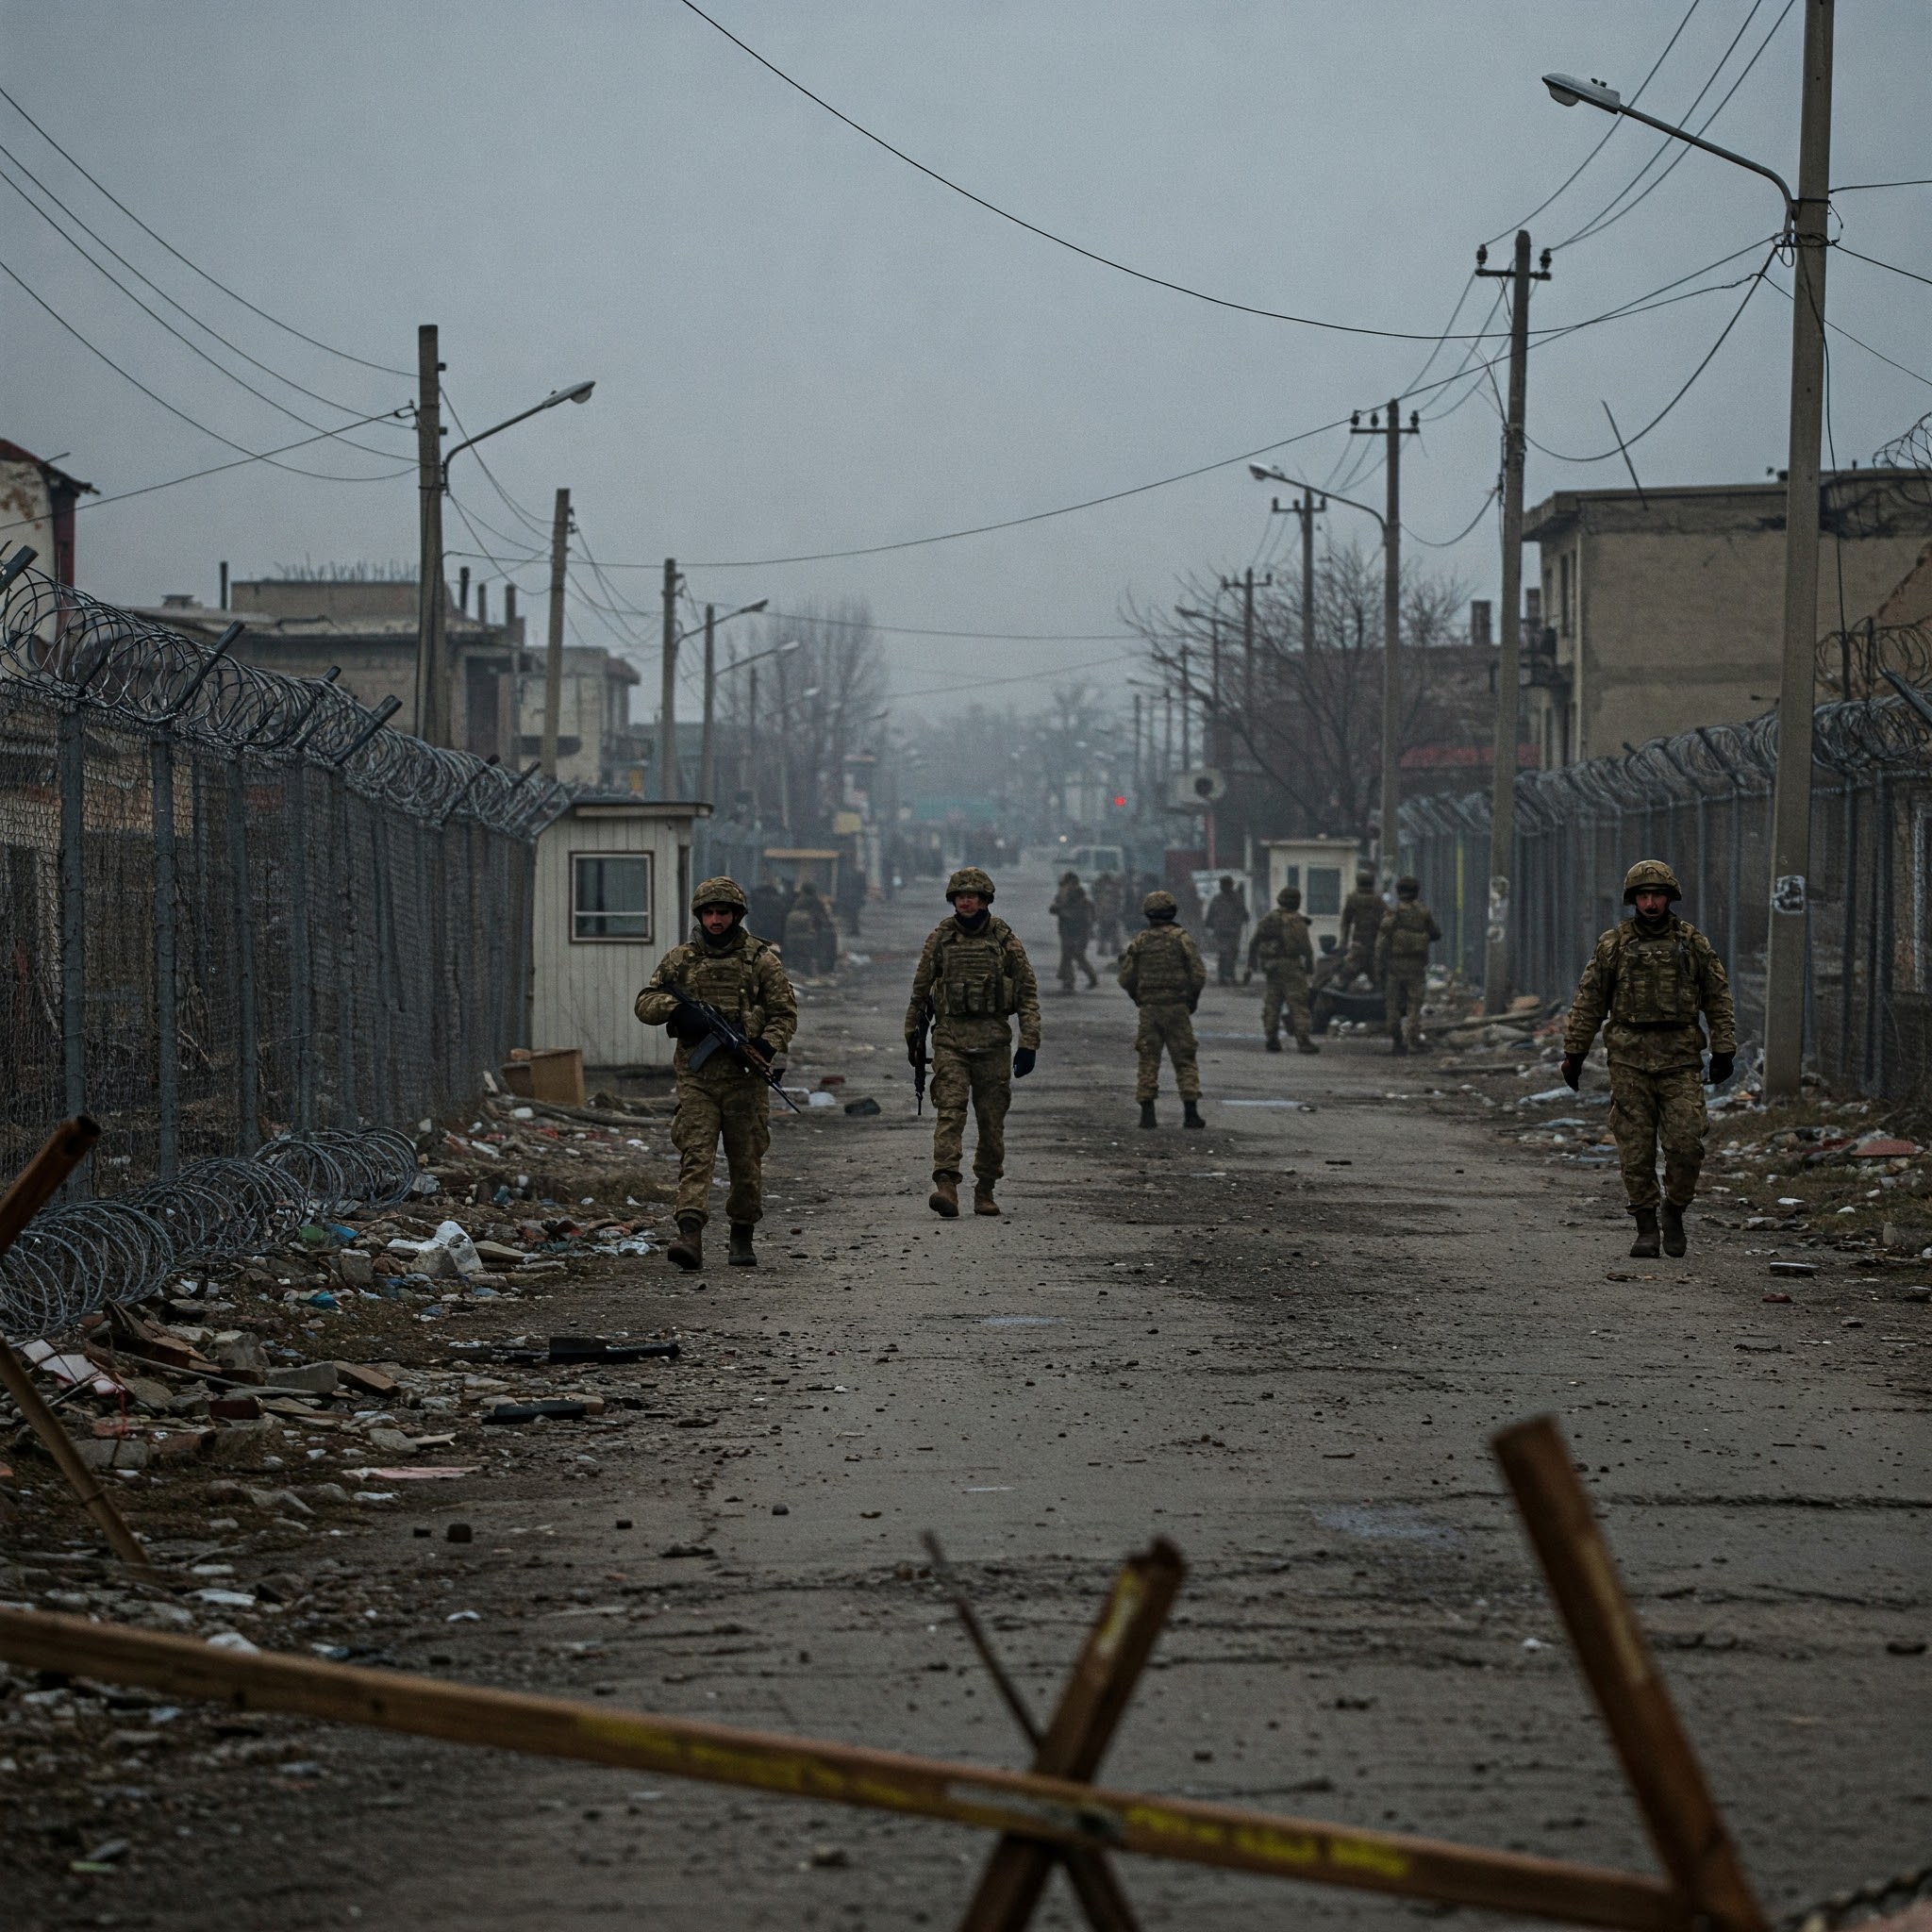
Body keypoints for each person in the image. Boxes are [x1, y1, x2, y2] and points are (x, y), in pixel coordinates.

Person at [1560, 859, 1736, 1260]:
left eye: (1657, 895)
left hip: (1679, 1060)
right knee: (1635, 1150)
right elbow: (1589, 1002)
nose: (1651, 903)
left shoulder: (1692, 944)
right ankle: (1645, 1225)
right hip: (1629, 1060)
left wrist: (1724, 1048)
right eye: (1643, 896)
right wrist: (1575, 1053)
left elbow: (1718, 998)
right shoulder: (1613, 945)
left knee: (1686, 1144)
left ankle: (1674, 1209)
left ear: (1669, 898)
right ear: (1633, 900)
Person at [634, 876, 798, 1272]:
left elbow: (784, 1013)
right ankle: (689, 1233)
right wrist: (678, 1012)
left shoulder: (761, 960)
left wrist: (765, 1045)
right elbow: (646, 1002)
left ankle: (742, 1233)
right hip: (698, 1078)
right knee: (696, 1153)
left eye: (722, 912)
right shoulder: (681, 960)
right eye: (708, 912)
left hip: (745, 1080)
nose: (715, 920)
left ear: (736, 915)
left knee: (746, 1160)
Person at [905, 867, 1041, 1219]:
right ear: (953, 900)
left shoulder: (1003, 939)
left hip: (993, 1042)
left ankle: (985, 1188)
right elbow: (921, 990)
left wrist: (1029, 1043)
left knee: (991, 1122)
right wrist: (912, 1036)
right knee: (950, 1113)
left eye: (973, 896)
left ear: (984, 900)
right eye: (960, 896)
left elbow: (1026, 992)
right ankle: (946, 1184)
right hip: (950, 1039)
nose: (966, 901)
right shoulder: (941, 938)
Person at [1117, 889, 1208, 1129]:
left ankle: (1147, 1114)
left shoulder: (1141, 941)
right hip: (1177, 1008)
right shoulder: (1182, 938)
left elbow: (1126, 977)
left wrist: (1139, 997)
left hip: (1150, 1009)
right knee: (1185, 1058)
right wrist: (1192, 999)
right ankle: (1190, 1113)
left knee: (1148, 1058)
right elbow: (1198, 974)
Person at [1246, 885, 1318, 1055]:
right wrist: (1309, 968)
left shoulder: (1269, 919)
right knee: (1298, 1003)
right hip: (1292, 966)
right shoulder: (1296, 920)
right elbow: (1306, 948)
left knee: (1273, 1003)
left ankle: (1271, 1039)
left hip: (1272, 967)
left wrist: (1251, 965)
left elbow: (1254, 942)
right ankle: (1303, 1041)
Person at [1374, 875, 1441, 1055]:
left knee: (1392, 1005)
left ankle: (1397, 1041)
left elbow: (1382, 940)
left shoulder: (1393, 913)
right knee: (1414, 1005)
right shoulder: (1424, 912)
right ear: (1417, 892)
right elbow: (1435, 934)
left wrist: (1378, 965)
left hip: (1395, 967)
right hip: (1416, 967)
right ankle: (1413, 1040)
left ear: (1398, 891)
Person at [1048, 871, 1099, 991]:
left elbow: (1081, 914)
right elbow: (1055, 908)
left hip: (1078, 930)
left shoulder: (1079, 896)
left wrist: (1061, 910)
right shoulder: (1066, 893)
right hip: (1068, 930)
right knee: (1068, 956)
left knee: (1077, 955)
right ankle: (1069, 981)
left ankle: (1089, 978)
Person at [1339, 866, 1383, 983]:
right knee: (1378, 981)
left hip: (1357, 945)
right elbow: (1385, 923)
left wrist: (1343, 942)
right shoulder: (1377, 900)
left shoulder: (1353, 898)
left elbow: (1346, 922)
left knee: (1344, 978)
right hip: (1373, 945)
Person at [1204, 874, 1249, 986]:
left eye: (1226, 884)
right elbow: (1210, 915)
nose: (1224, 886)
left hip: (1231, 931)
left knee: (1232, 954)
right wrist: (1210, 925)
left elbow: (1243, 914)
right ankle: (1224, 977)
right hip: (1223, 931)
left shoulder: (1236, 899)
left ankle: (1228, 976)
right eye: (1223, 884)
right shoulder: (1219, 899)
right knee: (1224, 953)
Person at [1091, 871, 1124, 957]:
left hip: (1105, 913)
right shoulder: (1108, 889)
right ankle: (1111, 948)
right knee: (1110, 931)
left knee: (1105, 931)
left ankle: (1104, 949)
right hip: (1107, 913)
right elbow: (1109, 902)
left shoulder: (1100, 888)